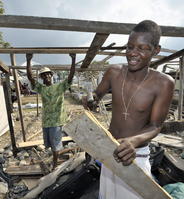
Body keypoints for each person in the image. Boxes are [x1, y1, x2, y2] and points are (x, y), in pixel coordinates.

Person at [84, 20, 175, 199]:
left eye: (142, 48)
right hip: (109, 151)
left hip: (135, 156)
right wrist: (91, 100)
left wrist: (132, 142)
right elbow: (97, 95)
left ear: (156, 50)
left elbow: (155, 125)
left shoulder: (163, 83)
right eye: (130, 47)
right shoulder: (114, 72)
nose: (133, 53)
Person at [26, 53, 76, 170]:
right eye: (44, 75)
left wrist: (73, 59)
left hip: (57, 121)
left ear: (51, 75)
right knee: (49, 144)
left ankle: (54, 165)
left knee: (55, 145)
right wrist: (28, 60)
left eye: (48, 74)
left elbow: (71, 75)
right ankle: (54, 160)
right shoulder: (41, 88)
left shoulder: (60, 87)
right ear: (42, 78)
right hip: (46, 121)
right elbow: (30, 77)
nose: (47, 76)